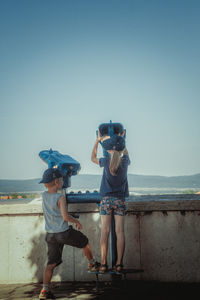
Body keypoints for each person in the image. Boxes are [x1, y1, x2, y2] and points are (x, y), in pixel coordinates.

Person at [38, 168, 99, 300]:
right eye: (61, 180)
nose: (63, 182)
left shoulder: (44, 195)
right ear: (57, 182)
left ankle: (44, 291)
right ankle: (92, 263)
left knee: (50, 264)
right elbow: (65, 217)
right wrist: (76, 221)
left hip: (50, 235)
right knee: (84, 242)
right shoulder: (60, 197)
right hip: (63, 233)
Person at [91, 131, 130, 274]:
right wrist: (121, 139)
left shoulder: (105, 161)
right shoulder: (125, 161)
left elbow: (92, 158)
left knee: (105, 232)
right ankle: (119, 264)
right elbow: (124, 150)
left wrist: (97, 141)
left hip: (106, 200)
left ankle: (103, 264)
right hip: (120, 200)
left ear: (108, 150)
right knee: (120, 232)